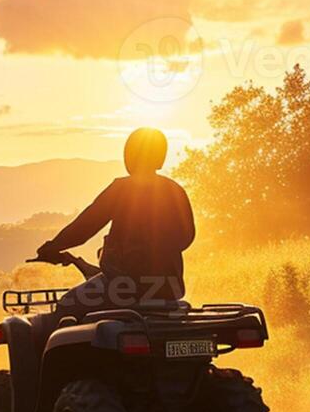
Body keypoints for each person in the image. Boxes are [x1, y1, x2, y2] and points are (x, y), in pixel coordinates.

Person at [34, 127, 195, 316]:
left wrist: (53, 247)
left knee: (66, 306)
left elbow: (85, 227)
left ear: (131, 155)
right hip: (169, 288)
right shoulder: (175, 190)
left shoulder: (122, 189)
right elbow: (187, 237)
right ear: (161, 156)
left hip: (122, 287)